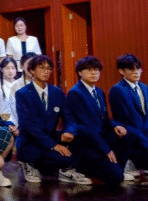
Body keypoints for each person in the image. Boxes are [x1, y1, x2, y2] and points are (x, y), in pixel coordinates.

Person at [15, 55, 91, 184]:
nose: (46, 71)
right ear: (32, 70)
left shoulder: (57, 92)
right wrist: (53, 145)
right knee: (41, 155)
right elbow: (28, 125)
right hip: (31, 141)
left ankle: (64, 170)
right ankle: (29, 164)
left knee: (80, 135)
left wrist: (69, 131)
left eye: (49, 68)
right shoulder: (22, 94)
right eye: (41, 68)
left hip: (50, 137)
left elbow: (69, 117)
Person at [66, 56, 138, 184]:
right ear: (80, 73)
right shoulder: (75, 93)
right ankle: (81, 167)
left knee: (129, 133)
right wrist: (106, 149)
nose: (94, 73)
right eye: (89, 70)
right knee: (116, 178)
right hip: (87, 142)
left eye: (96, 70)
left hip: (101, 137)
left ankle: (118, 167)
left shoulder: (99, 92)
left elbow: (104, 119)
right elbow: (85, 127)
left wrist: (115, 125)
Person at [0, 58, 19, 125]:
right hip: (4, 123)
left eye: (13, 68)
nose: (10, 71)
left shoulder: (21, 86)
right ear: (1, 70)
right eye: (7, 68)